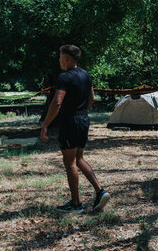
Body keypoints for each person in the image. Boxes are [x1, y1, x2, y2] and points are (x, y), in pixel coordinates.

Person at [40, 45, 110, 213]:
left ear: (67, 59)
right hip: (83, 119)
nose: (59, 60)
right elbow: (91, 97)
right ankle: (101, 192)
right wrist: (81, 112)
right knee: (79, 158)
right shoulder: (85, 74)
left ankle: (76, 204)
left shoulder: (64, 77)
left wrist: (45, 125)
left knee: (69, 162)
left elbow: (57, 103)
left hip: (70, 122)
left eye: (60, 57)